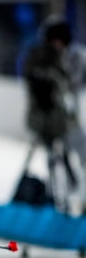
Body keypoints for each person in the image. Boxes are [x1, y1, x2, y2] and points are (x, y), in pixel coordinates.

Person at [22, 17, 86, 214]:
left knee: (78, 155)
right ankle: (60, 203)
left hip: (68, 122)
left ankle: (77, 198)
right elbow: (38, 88)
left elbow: (75, 83)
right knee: (55, 162)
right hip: (47, 122)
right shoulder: (40, 58)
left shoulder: (73, 57)